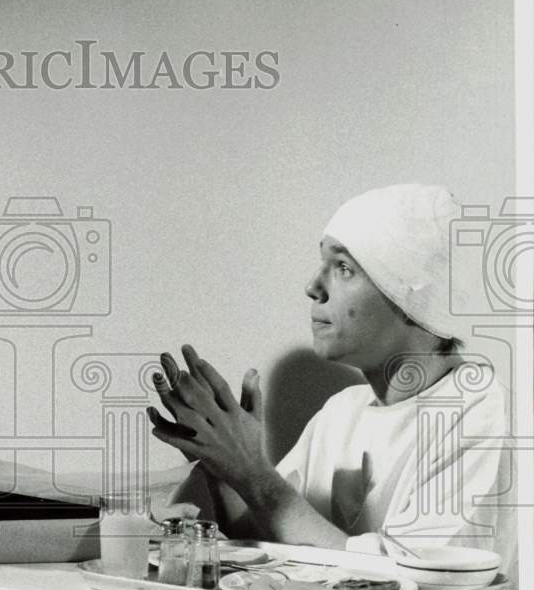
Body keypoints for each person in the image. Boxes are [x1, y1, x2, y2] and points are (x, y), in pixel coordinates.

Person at [149, 184, 515, 568]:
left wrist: (254, 473)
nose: (313, 287)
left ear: (411, 298)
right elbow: (274, 531)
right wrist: (225, 465)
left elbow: (417, 583)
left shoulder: (480, 410)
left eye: (343, 268)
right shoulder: (341, 412)